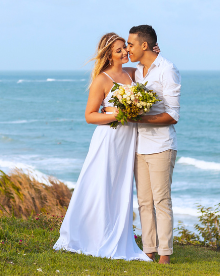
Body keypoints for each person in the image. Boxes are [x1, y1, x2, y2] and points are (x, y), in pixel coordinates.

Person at [52, 32, 151, 261]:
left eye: (125, 48)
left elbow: (149, 70)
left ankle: (117, 235)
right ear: (108, 55)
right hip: (108, 140)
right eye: (119, 50)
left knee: (120, 188)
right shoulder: (102, 80)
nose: (125, 52)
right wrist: (117, 114)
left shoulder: (132, 74)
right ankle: (90, 236)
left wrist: (153, 52)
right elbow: (89, 116)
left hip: (127, 142)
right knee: (100, 185)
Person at [127, 24, 181, 264]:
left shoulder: (167, 69)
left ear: (144, 45)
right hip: (139, 147)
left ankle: (165, 255)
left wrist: (140, 118)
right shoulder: (137, 71)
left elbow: (173, 115)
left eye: (130, 45)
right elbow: (114, 69)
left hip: (161, 146)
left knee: (161, 201)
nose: (128, 49)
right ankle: (148, 250)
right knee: (144, 202)